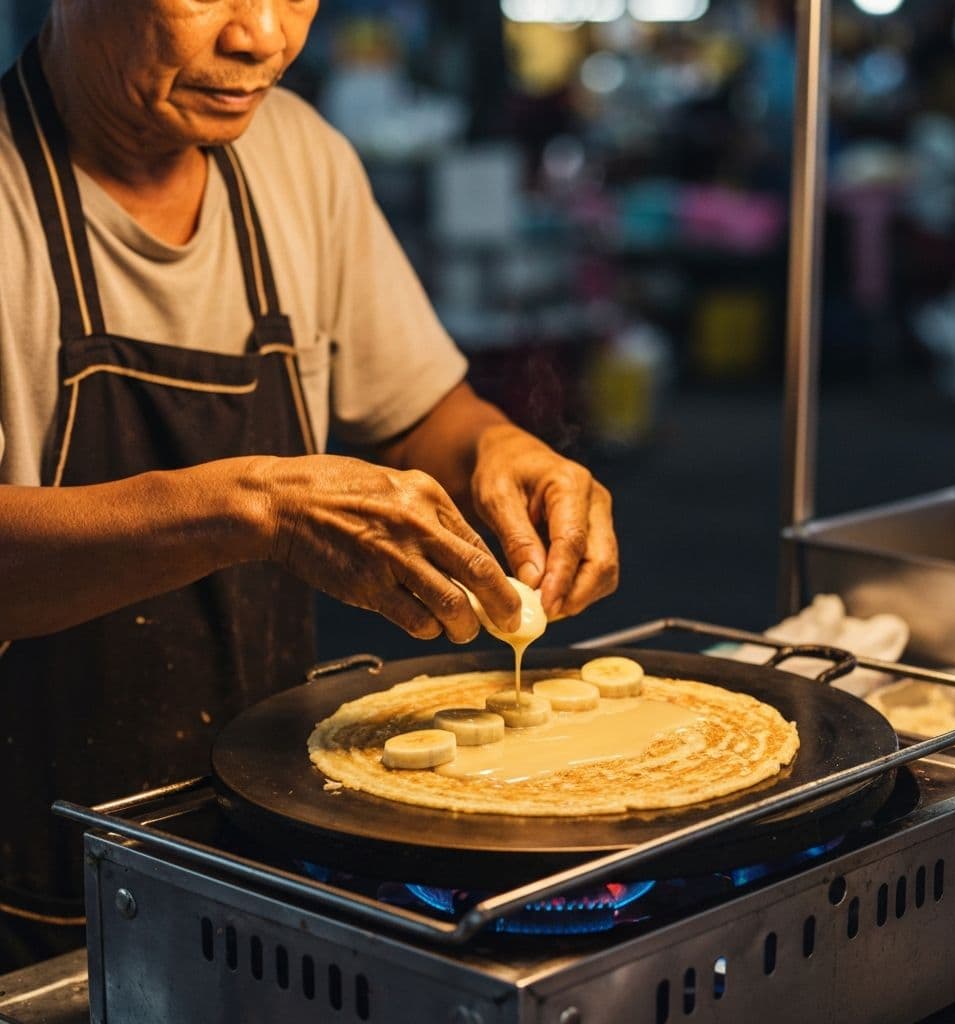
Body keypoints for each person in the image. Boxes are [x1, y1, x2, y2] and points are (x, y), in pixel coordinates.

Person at [0, 0, 618, 970]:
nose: (263, 38)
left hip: (268, 854)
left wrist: (501, 450)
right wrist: (251, 506)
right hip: (36, 907)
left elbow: (424, 413)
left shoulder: (300, 160)